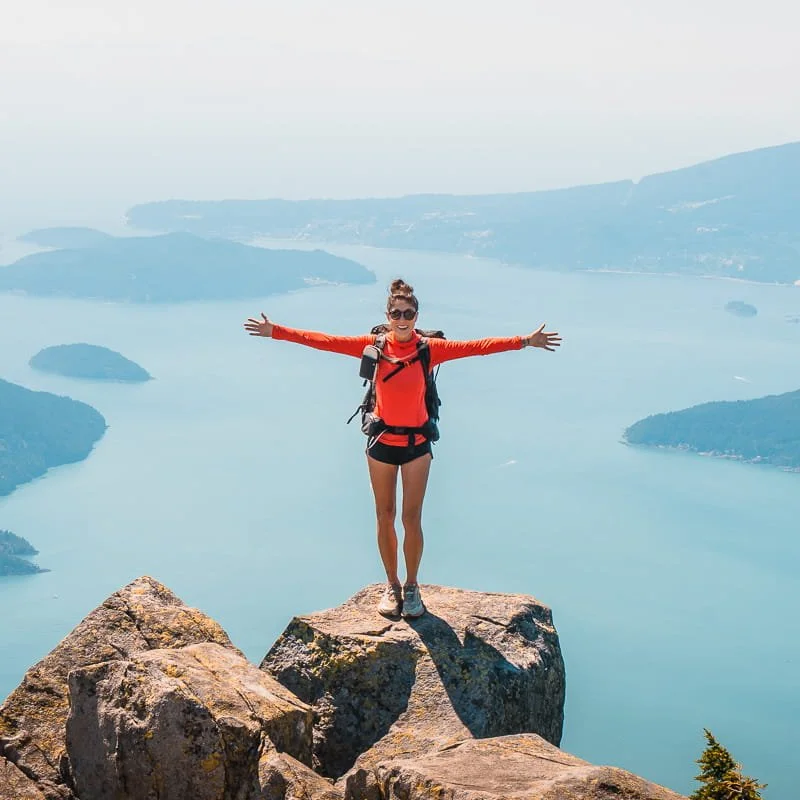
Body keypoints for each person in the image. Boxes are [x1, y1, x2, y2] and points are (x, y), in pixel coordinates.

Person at [244, 279, 561, 619]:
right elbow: (325, 341)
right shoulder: (374, 346)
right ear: (387, 315)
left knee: (411, 519)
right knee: (385, 517)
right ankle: (391, 585)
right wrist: (275, 331)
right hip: (381, 443)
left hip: (416, 446)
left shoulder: (429, 349)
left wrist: (526, 341)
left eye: (408, 313)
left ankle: (412, 588)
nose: (402, 318)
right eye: (396, 313)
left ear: (416, 314)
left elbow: (478, 346)